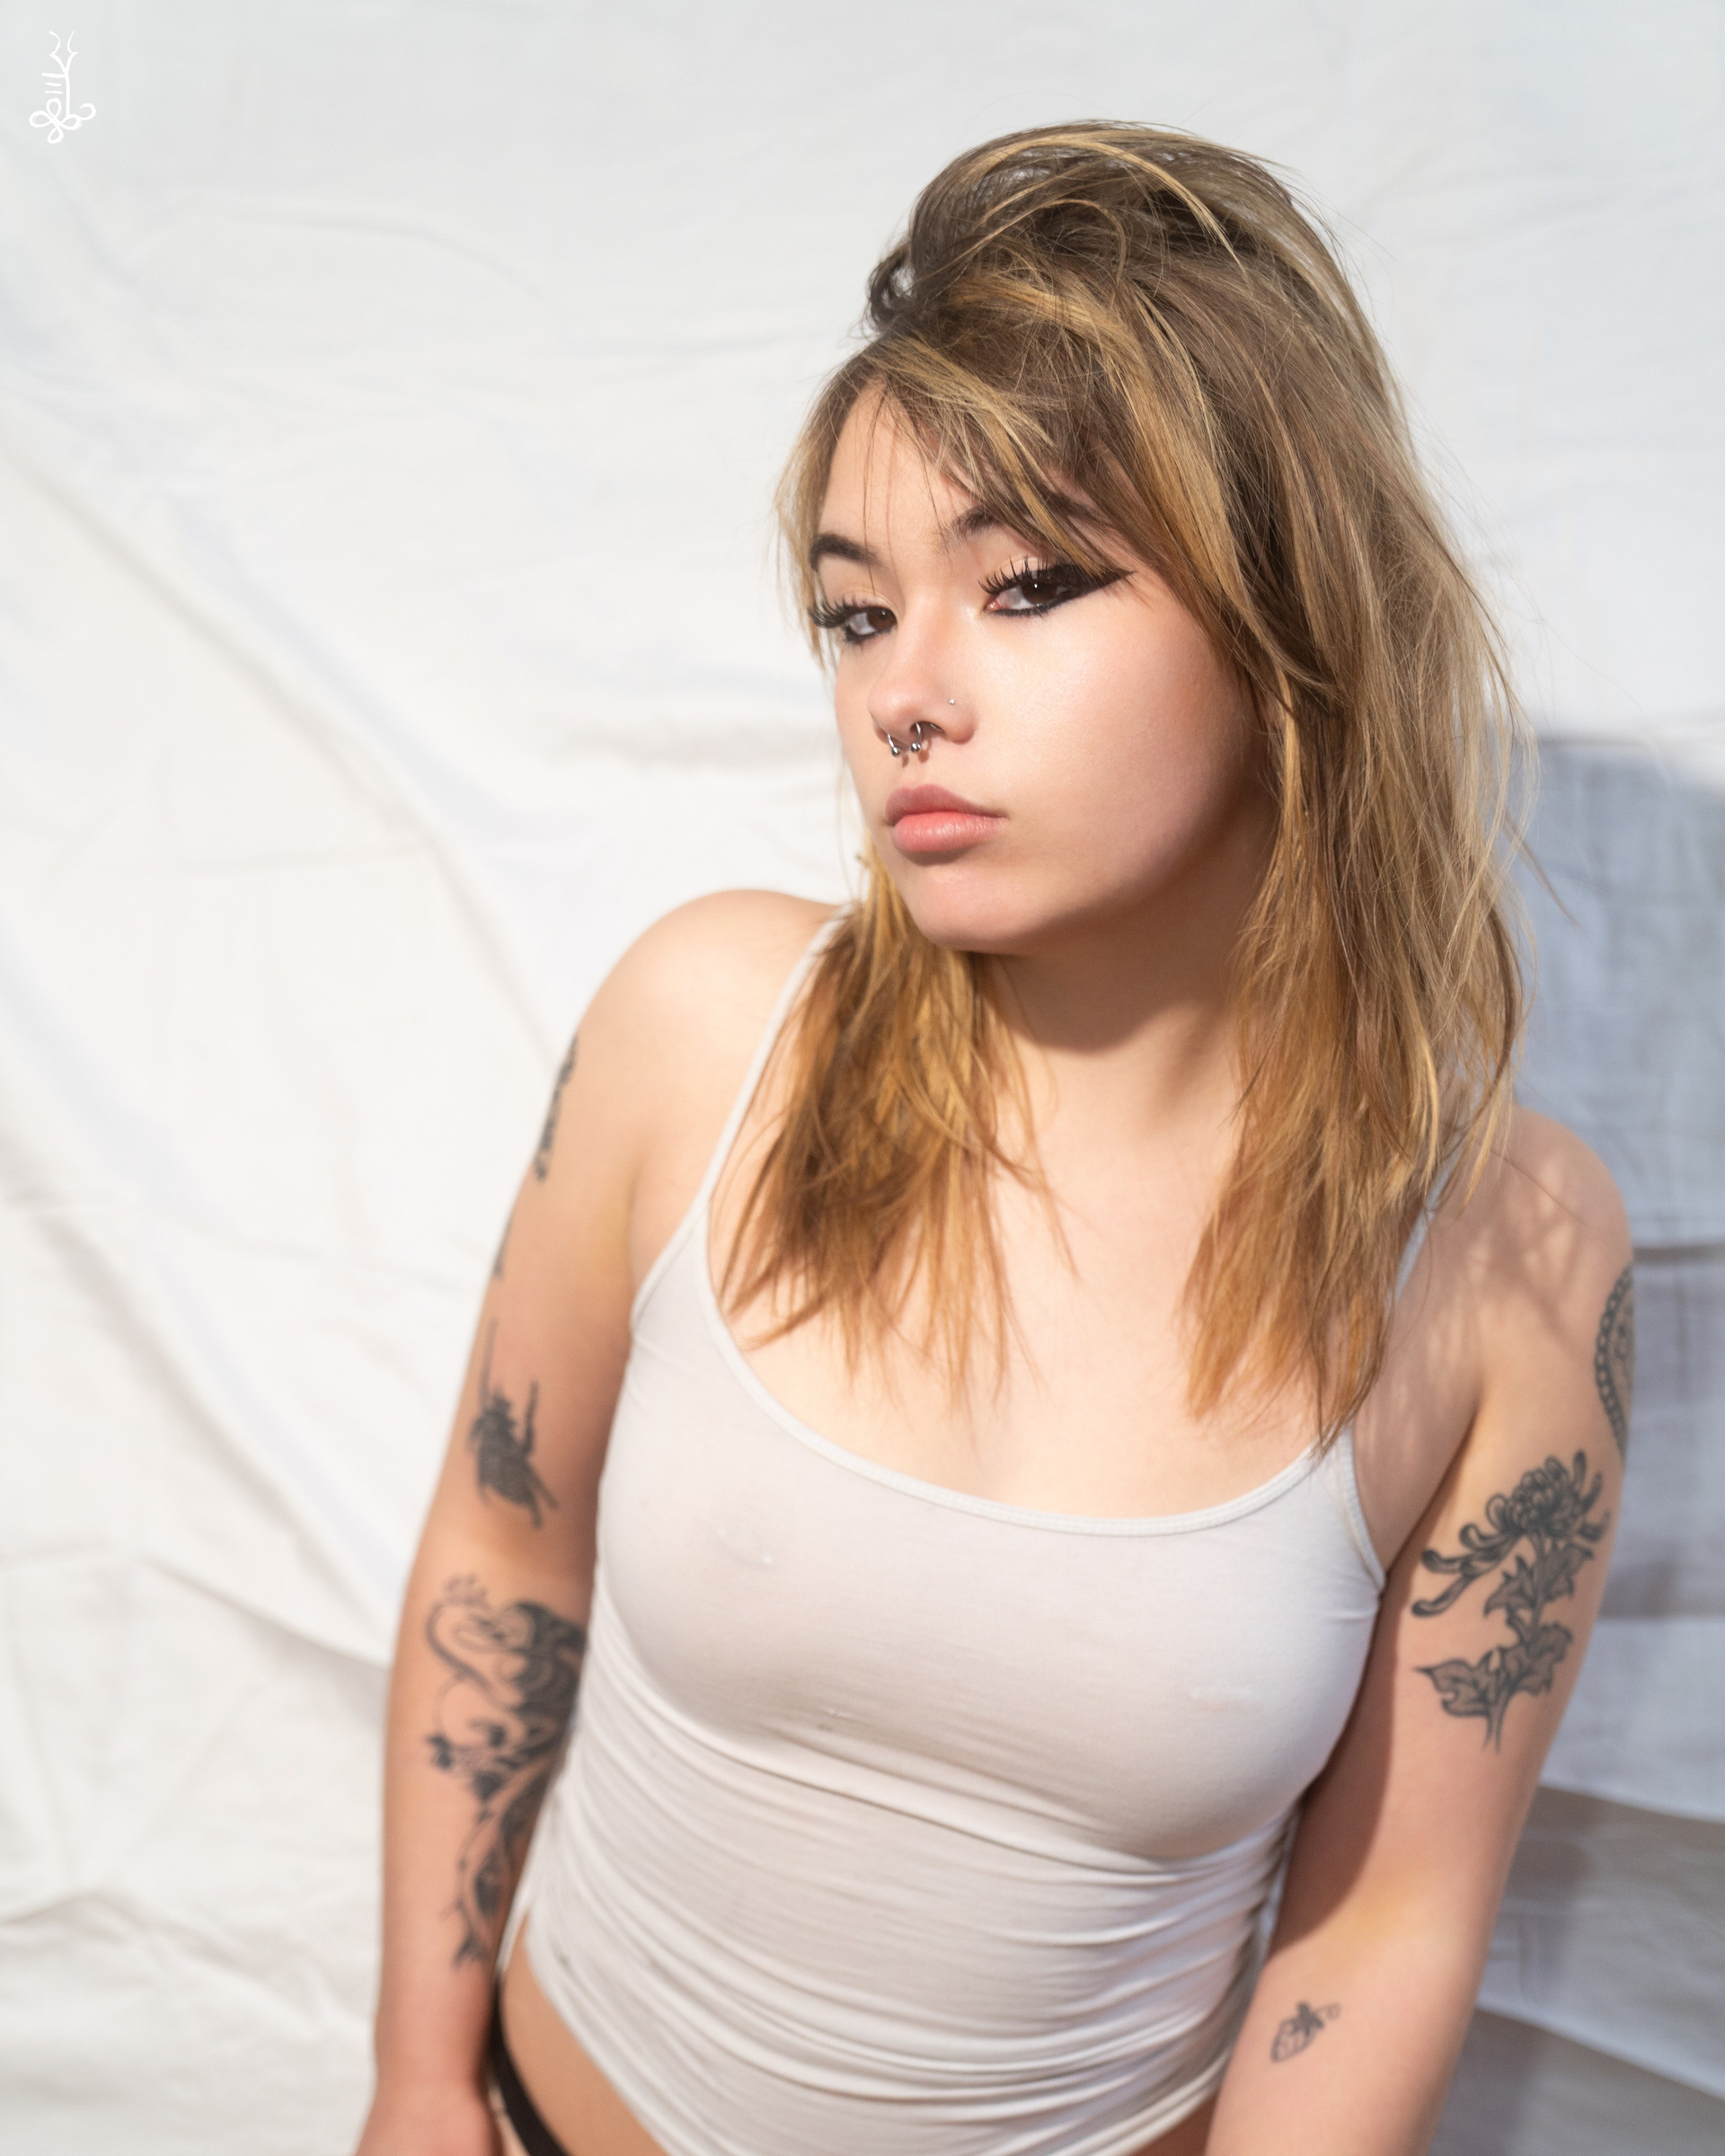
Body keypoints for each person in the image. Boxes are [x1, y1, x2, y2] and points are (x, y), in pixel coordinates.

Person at [353, 123, 1634, 2156]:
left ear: (1287, 615)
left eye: (1028, 585)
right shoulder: (707, 1033)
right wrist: (419, 2083)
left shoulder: (1510, 1261)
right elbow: (506, 1542)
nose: (907, 696)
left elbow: (1387, 1919)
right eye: (857, 615)